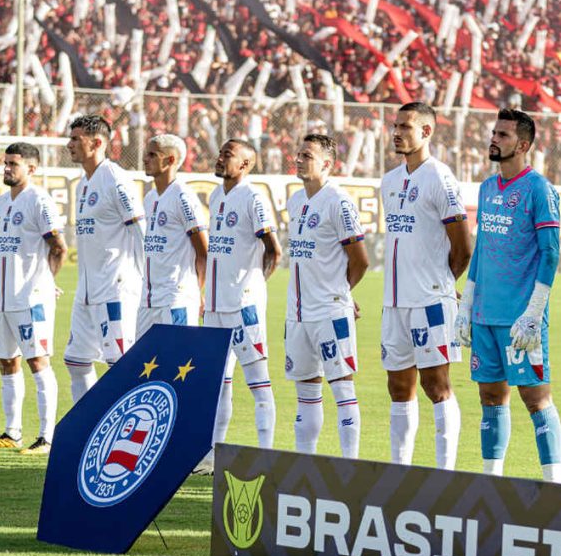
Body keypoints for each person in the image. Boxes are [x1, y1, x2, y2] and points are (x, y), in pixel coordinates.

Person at [454, 108, 561, 483]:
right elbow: (482, 248)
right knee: (490, 399)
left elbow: (550, 253)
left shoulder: (539, 189)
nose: (493, 139)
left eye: (502, 135)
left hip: (521, 319)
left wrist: (534, 311)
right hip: (485, 316)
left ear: (523, 144)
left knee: (536, 400)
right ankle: (492, 480)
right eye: (494, 133)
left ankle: (554, 485)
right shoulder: (486, 188)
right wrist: (466, 306)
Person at [380, 102, 471, 469]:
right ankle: (399, 469)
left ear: (427, 132)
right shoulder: (389, 181)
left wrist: (444, 284)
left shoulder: (440, 177)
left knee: (437, 386)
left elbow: (463, 247)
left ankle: (443, 473)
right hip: (394, 302)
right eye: (395, 125)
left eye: (406, 126)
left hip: (431, 301)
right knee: (399, 388)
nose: (397, 132)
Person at [198, 139, 281, 474]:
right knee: (218, 384)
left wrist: (255, 286)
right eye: (220, 152)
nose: (220, 158)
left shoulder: (254, 197)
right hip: (216, 307)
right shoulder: (217, 196)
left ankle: (267, 457)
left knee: (258, 381)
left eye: (228, 155)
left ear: (245, 164)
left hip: (243, 306)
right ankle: (212, 454)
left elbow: (273, 249)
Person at [0, 143, 66, 454]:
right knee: (6, 362)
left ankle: (46, 436)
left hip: (31, 299)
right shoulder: (2, 202)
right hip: (3, 298)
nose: (7, 169)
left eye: (13, 164)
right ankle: (11, 432)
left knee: (38, 362)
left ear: (31, 168)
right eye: (5, 163)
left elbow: (59, 247)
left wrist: (46, 282)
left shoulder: (40, 201)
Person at [285, 134, 369, 458]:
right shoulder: (295, 201)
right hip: (297, 314)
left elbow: (360, 259)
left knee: (342, 387)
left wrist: (341, 293)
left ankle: (351, 466)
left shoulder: (339, 201)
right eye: (299, 153)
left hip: (329, 312)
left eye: (307, 154)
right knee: (305, 392)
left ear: (326, 164)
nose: (299, 158)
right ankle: (304, 462)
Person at [63, 115, 145, 403]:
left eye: (76, 139)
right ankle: (86, 429)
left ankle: (128, 432)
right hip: (87, 290)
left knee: (120, 364)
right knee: (75, 360)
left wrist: (148, 280)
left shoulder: (114, 177)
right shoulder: (83, 183)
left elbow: (140, 230)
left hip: (115, 287)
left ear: (97, 143)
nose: (69, 144)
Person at [136, 134, 208, 334]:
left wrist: (197, 291)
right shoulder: (150, 198)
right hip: (148, 300)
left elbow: (203, 252)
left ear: (170, 160)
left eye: (152, 154)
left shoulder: (183, 197)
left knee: (177, 362)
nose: (145, 159)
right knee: (144, 364)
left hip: (176, 299)